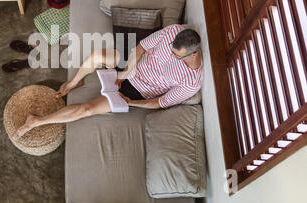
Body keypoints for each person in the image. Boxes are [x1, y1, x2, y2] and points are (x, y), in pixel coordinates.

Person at [12, 24, 203, 140]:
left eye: (175, 55)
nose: (170, 54)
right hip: (131, 65)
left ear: (193, 54)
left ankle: (35, 122)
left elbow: (160, 102)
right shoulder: (173, 32)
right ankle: (73, 83)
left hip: (137, 90)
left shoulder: (192, 81)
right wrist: (124, 72)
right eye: (170, 49)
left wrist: (131, 102)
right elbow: (140, 48)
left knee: (86, 109)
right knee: (96, 56)